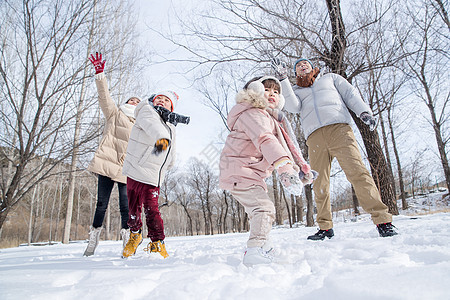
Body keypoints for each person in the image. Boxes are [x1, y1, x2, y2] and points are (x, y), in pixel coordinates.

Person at [271, 57, 398, 240]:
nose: (302, 66)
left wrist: (364, 112)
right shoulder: (296, 91)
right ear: (295, 73)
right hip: (315, 137)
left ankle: (383, 221)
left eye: (304, 63)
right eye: (297, 66)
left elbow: (350, 94)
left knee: (358, 173)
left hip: (339, 129)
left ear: (312, 66)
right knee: (319, 182)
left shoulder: (330, 78)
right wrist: (283, 79)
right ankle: (325, 227)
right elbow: (293, 106)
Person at [219, 76, 314, 266]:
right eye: (267, 90)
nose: (272, 94)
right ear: (254, 91)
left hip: (249, 172)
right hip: (241, 170)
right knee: (263, 208)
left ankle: (265, 247)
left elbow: (281, 146)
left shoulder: (268, 118)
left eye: (276, 92)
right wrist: (284, 166)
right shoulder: (253, 113)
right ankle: (255, 249)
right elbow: (265, 140)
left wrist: (296, 169)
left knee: (258, 210)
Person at [84, 52, 140, 257]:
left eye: (137, 101)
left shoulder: (142, 125)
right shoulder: (115, 114)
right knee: (101, 204)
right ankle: (93, 240)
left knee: (126, 207)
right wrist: (100, 74)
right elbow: (104, 97)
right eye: (131, 99)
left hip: (126, 169)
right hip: (107, 164)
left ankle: (127, 241)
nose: (134, 102)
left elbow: (152, 147)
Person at [121, 90, 190, 258]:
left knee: (152, 210)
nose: (162, 101)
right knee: (133, 208)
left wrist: (169, 163)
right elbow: (154, 129)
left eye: (167, 100)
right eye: (159, 98)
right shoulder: (147, 110)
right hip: (137, 169)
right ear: (152, 100)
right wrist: (162, 139)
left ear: (171, 106)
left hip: (153, 174)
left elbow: (170, 150)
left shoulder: (170, 124)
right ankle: (135, 234)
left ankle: (157, 242)